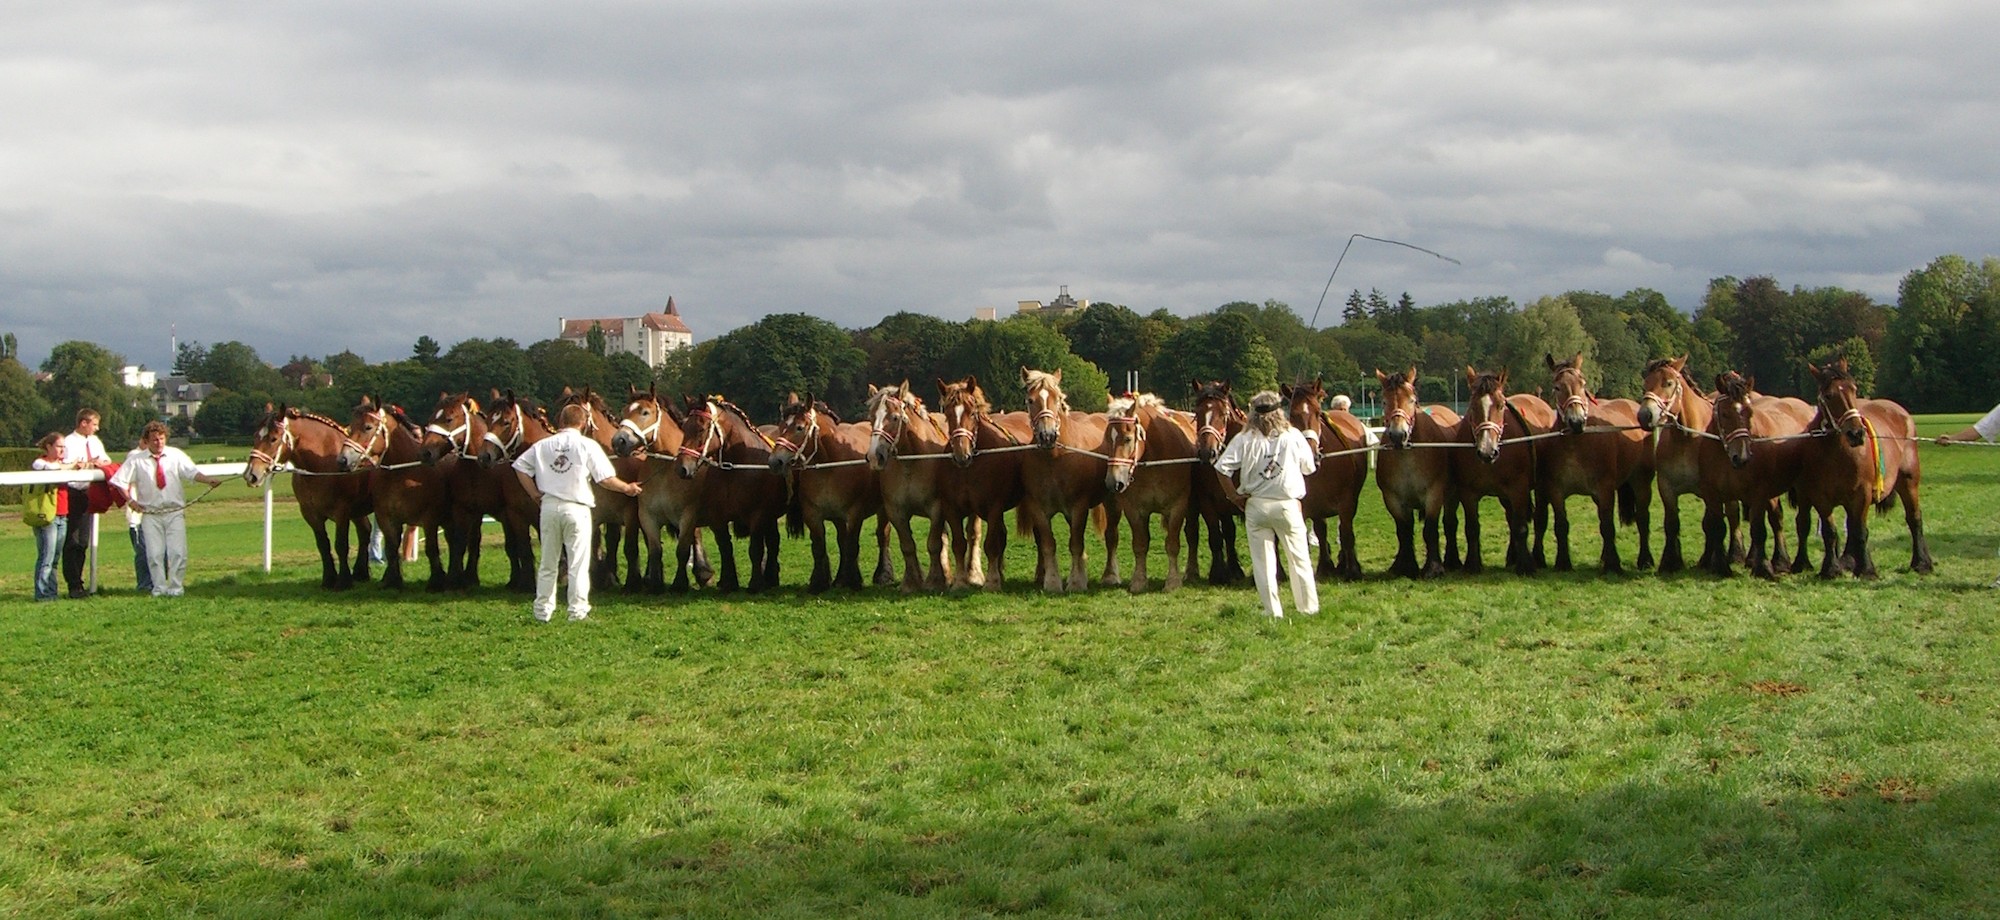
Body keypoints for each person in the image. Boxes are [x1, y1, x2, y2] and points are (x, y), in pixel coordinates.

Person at [512, 402, 643, 622]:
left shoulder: (543, 445)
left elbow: (520, 467)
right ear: (583, 423)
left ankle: (542, 611)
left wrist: (534, 493)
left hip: (549, 507)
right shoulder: (587, 445)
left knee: (548, 562)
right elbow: (605, 479)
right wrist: (627, 488)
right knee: (578, 563)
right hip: (577, 508)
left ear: (561, 421)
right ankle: (577, 611)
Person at [1213, 390, 1320, 619]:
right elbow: (1309, 468)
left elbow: (1222, 468)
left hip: (1256, 505)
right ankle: (1308, 608)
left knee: (1263, 563)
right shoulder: (1293, 436)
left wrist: (1233, 496)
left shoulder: (1244, 439)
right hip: (1287, 504)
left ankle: (1273, 611)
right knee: (1299, 558)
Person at [110, 421, 225, 597]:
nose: (159, 443)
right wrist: (130, 501)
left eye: (162, 439)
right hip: (151, 513)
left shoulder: (175, 455)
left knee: (178, 552)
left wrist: (208, 480)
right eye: (155, 440)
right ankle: (159, 588)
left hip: (174, 511)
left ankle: (176, 588)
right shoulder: (137, 460)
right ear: (146, 441)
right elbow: (120, 481)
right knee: (155, 554)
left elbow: (191, 472)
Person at [59, 408, 110, 598]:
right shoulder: (69, 442)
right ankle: (73, 584)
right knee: (72, 540)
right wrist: (88, 464)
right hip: (74, 493)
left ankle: (79, 583)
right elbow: (69, 465)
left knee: (83, 541)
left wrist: (95, 463)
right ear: (83, 423)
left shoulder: (95, 442)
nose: (97, 428)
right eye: (94, 424)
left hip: (89, 493)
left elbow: (105, 460)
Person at [28, 433, 70, 602]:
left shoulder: (63, 465)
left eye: (63, 447)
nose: (62, 450)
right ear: (49, 447)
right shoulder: (40, 462)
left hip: (62, 514)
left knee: (55, 558)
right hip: (46, 515)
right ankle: (42, 594)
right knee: (46, 556)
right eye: (59, 446)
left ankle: (51, 593)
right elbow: (52, 470)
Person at [123, 441, 155, 594]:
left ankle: (156, 583)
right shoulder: (135, 456)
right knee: (143, 551)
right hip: (138, 515)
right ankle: (144, 584)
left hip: (154, 513)